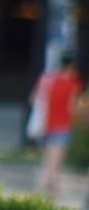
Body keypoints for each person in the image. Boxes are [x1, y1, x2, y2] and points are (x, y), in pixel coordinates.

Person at [30, 54, 84, 201]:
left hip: (45, 126)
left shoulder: (46, 79)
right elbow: (71, 107)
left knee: (47, 163)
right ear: (72, 67)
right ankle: (55, 197)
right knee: (54, 165)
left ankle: (39, 194)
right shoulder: (73, 84)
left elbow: (33, 99)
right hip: (62, 128)